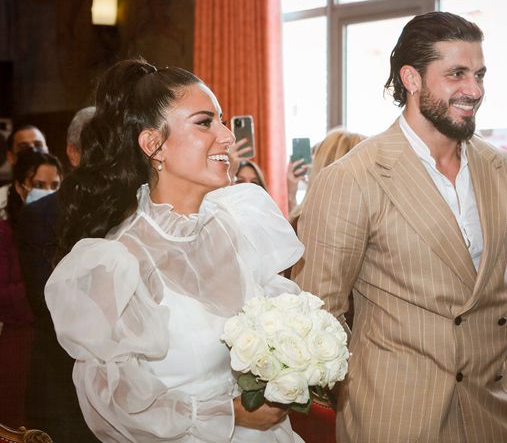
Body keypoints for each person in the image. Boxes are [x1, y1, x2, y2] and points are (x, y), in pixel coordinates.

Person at [292, 11, 507, 442]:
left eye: (479, 74)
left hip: (496, 413)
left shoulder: (503, 168)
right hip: (398, 416)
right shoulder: (352, 177)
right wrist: (372, 380)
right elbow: (318, 313)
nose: (474, 90)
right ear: (412, 78)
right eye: (456, 74)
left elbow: (505, 280)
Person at [44, 58, 304, 442]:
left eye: (221, 120)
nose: (227, 137)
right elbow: (115, 404)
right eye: (204, 122)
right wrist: (228, 415)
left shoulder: (239, 224)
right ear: (153, 144)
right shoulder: (118, 261)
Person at [15, 107, 99, 441]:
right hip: (63, 385)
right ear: (73, 152)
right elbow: (46, 299)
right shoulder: (42, 215)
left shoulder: (135, 207)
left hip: (130, 391)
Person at [0, 150, 62, 426]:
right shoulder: (4, 233)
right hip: (16, 346)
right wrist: (49, 290)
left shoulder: (66, 230)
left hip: (56, 346)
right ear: (19, 186)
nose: (47, 193)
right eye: (38, 185)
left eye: (54, 186)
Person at [0, 124, 48, 219]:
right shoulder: (1, 198)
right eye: (24, 147)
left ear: (47, 150)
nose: (33, 151)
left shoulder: (69, 193)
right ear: (10, 157)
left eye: (38, 145)